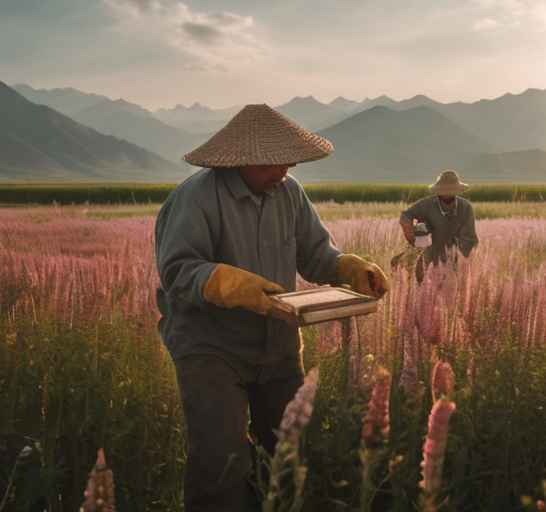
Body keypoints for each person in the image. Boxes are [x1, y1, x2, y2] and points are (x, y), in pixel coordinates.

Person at [153, 104, 389, 511]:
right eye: (277, 160)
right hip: (212, 348)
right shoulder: (195, 199)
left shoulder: (289, 192)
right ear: (243, 158)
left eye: (290, 159)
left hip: (278, 347)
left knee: (285, 453)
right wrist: (231, 283)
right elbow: (177, 271)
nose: (288, 168)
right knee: (222, 463)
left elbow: (315, 252)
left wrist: (347, 267)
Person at [399, 170, 478, 265]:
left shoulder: (466, 208)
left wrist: (453, 255)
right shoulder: (427, 204)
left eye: (450, 198)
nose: (447, 202)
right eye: (443, 198)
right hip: (429, 260)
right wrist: (412, 236)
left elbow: (470, 240)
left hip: (456, 263)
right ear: (438, 196)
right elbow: (406, 215)